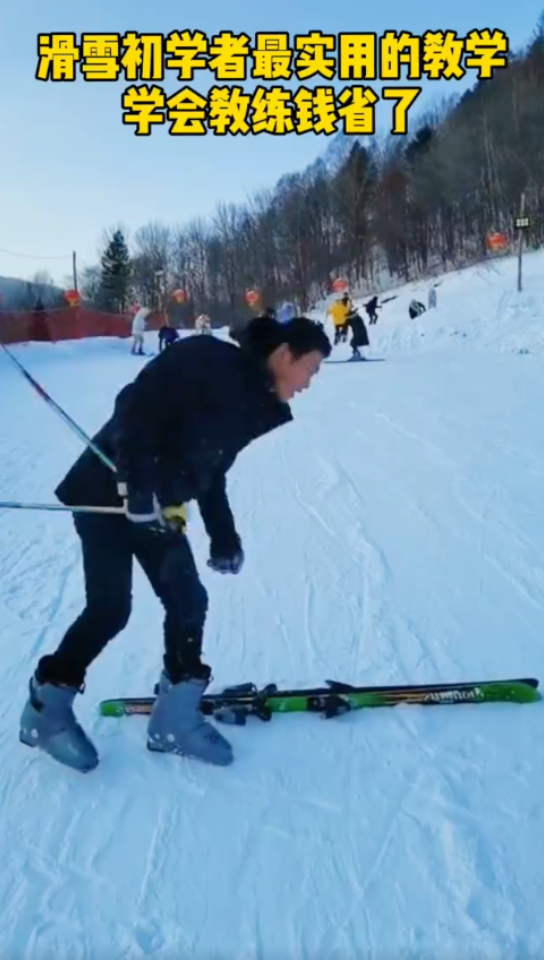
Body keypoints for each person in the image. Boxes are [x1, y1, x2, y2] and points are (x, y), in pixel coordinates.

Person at [19, 316, 332, 774]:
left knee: (188, 600)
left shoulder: (255, 405)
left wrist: (223, 534)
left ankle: (175, 721)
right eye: (312, 368)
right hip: (105, 494)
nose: (309, 382)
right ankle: (45, 712)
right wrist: (136, 487)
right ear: (285, 354)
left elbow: (210, 469)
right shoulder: (205, 357)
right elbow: (134, 407)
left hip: (157, 507)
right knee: (110, 608)